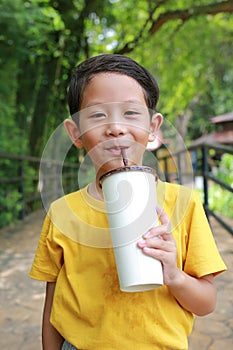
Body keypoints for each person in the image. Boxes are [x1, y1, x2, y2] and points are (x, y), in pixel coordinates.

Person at [30, 54, 226, 350]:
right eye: (97, 115)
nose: (116, 128)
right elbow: (53, 303)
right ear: (75, 133)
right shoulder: (63, 213)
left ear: (153, 128)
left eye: (131, 113)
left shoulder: (183, 203)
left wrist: (173, 274)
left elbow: (206, 302)